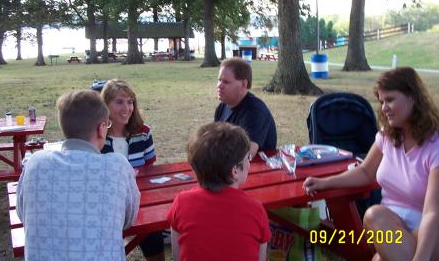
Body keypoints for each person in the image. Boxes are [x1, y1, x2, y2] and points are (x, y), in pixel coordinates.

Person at [303, 67, 439, 261]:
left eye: (390, 100)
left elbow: (433, 211)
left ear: (413, 98)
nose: (383, 108)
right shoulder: (388, 135)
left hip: (436, 233)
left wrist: (420, 258)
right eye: (381, 102)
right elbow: (365, 171)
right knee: (375, 215)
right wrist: (325, 182)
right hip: (390, 228)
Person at [16, 90, 140, 261]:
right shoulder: (118, 166)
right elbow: (128, 219)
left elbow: (23, 214)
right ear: (101, 128)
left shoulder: (34, 163)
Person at [167, 122, 271, 261]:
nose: (249, 162)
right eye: (249, 158)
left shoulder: (181, 203)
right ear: (234, 171)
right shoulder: (256, 210)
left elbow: (177, 257)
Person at [100, 79, 165, 261]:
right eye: (119, 102)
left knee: (152, 231)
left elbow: (150, 170)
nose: (126, 108)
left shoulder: (143, 132)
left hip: (139, 199)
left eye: (130, 102)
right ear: (105, 105)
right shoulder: (97, 135)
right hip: (107, 202)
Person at [214, 57, 277, 160]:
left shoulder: (255, 111)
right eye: (219, 80)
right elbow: (214, 145)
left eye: (226, 82)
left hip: (255, 171)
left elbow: (246, 156)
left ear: (244, 84)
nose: (219, 86)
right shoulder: (222, 107)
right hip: (229, 169)